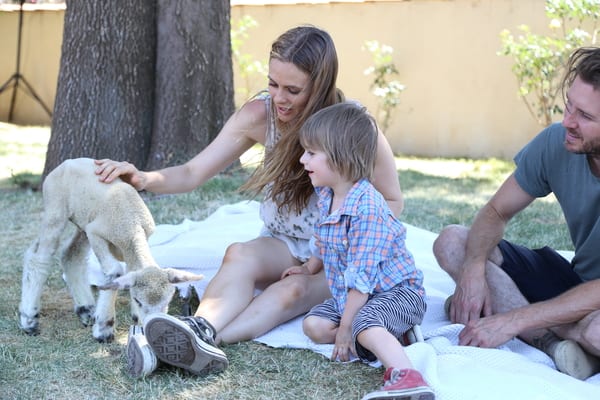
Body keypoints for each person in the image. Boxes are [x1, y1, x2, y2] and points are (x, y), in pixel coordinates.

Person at [94, 25, 404, 378]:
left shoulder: (354, 128)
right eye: (273, 83)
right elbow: (194, 171)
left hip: (340, 253)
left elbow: (393, 200)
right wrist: (144, 178)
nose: (279, 98)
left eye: (293, 89)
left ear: (320, 86)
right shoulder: (261, 114)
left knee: (293, 288)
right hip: (284, 240)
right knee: (238, 253)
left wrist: (351, 241)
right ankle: (197, 330)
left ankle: (199, 341)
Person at [432, 46, 600, 381]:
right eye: (569, 106)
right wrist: (473, 270)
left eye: (585, 116)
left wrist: (513, 319)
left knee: (597, 331)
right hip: (577, 282)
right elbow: (496, 211)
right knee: (453, 242)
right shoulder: (557, 142)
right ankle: (558, 345)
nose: (568, 121)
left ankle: (563, 339)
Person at [281, 102, 433, 400]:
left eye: (311, 153)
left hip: (397, 293)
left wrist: (347, 327)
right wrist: (310, 267)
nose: (302, 159)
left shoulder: (368, 209)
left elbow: (362, 279)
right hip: (351, 295)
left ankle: (408, 376)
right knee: (314, 325)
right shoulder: (327, 194)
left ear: (341, 158)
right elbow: (326, 239)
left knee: (361, 324)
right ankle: (389, 335)